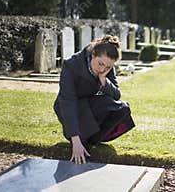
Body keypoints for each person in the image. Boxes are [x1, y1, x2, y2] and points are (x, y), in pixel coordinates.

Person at [53, 35, 135, 164]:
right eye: (100, 64)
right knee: (80, 129)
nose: (102, 69)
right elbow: (68, 102)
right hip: (70, 107)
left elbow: (116, 95)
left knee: (122, 108)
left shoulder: (106, 65)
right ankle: (80, 138)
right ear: (93, 54)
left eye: (108, 67)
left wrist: (103, 80)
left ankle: (90, 138)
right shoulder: (71, 65)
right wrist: (76, 141)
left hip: (90, 103)